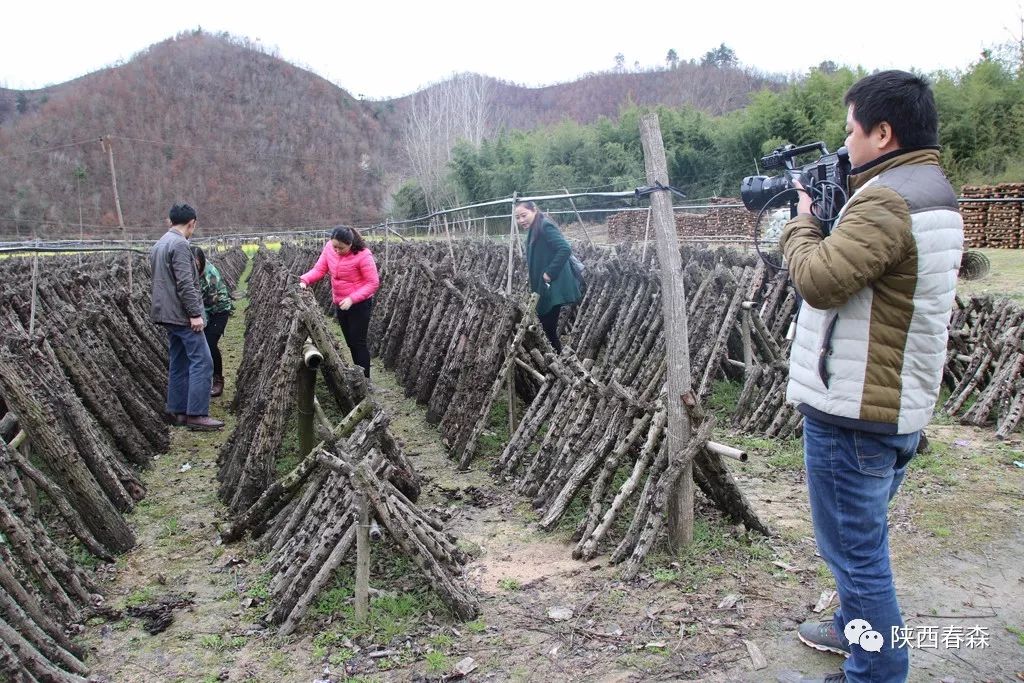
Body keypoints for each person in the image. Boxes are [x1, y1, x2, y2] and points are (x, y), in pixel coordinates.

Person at [780, 71, 963, 683]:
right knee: (860, 547)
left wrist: (803, 222)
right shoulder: (932, 189)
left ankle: (876, 673)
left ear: (883, 133)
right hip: (893, 401)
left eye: (851, 128)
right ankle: (851, 631)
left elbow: (820, 280)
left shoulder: (887, 199)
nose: (845, 141)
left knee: (858, 558)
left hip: (854, 411)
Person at [149, 204, 224, 431]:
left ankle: (178, 410)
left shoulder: (159, 244)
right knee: (203, 361)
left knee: (179, 360)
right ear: (192, 222)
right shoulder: (180, 245)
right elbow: (185, 284)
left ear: (169, 221)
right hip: (182, 315)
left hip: (165, 313)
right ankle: (197, 414)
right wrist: (194, 314)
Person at [299, 226, 379, 378]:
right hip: (341, 303)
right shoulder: (330, 248)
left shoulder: (363, 255)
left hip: (360, 305)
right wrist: (304, 280)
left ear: (351, 243)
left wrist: (352, 298)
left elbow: (372, 283)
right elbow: (319, 269)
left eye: (341, 248)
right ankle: (358, 375)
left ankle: (365, 380)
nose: (336, 250)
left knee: (358, 343)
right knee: (350, 342)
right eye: (334, 246)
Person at [513, 201, 582, 353]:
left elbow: (564, 248)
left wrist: (549, 273)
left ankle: (556, 361)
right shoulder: (534, 227)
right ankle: (554, 359)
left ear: (534, 210)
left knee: (547, 330)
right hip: (544, 287)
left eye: (524, 215)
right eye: (517, 217)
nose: (521, 220)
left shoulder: (544, 225)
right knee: (546, 328)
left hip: (552, 287)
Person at [190, 245, 234, 398]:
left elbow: (211, 302)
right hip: (200, 312)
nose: (194, 266)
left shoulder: (210, 275)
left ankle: (218, 380)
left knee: (209, 343)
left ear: (201, 261)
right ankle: (201, 379)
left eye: (196, 263)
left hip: (218, 312)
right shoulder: (188, 271)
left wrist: (200, 319)